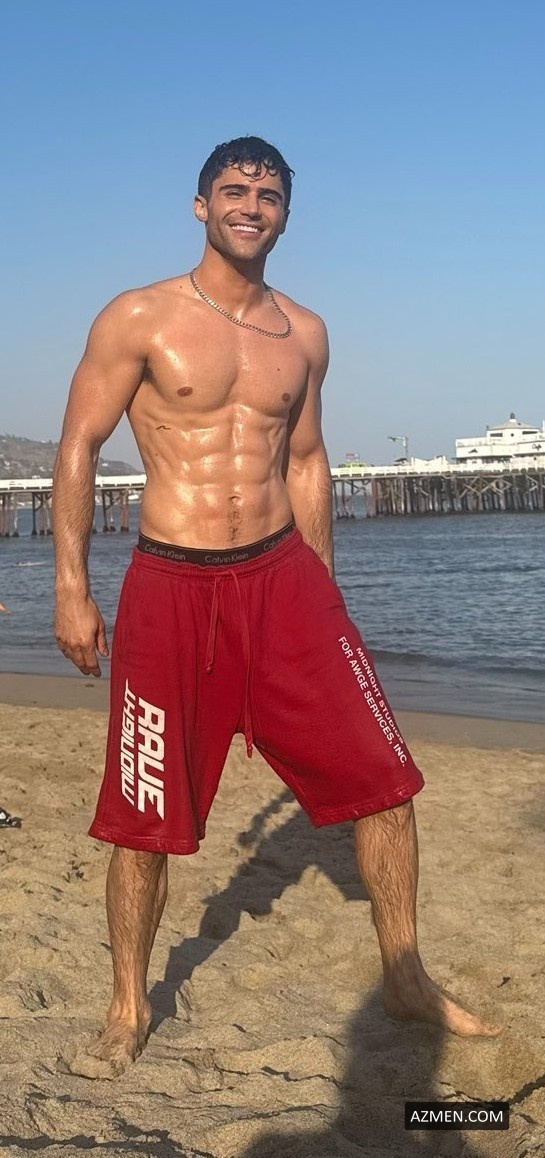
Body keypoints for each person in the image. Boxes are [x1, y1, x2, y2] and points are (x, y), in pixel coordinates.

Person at [53, 136, 499, 1078]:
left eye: (266, 194)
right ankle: (128, 1005)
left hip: (283, 577)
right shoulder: (139, 315)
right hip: (171, 586)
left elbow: (304, 459)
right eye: (232, 190)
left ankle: (404, 976)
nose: (249, 205)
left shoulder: (305, 332)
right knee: (142, 814)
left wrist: (324, 594)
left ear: (286, 214)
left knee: (386, 780)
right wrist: (71, 589)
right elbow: (79, 446)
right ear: (200, 205)